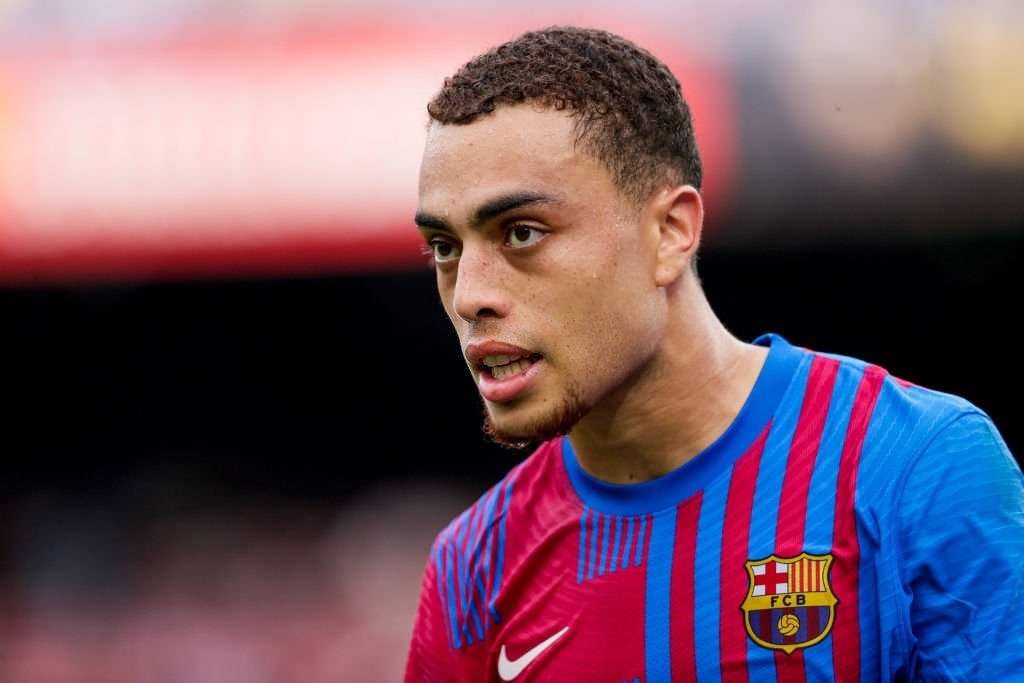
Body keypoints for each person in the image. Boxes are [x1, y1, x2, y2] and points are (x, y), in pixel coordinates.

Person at [404, 25, 1024, 682]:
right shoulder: (471, 571)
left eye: (522, 233)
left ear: (671, 232)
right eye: (445, 247)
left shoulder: (919, 467)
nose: (469, 296)